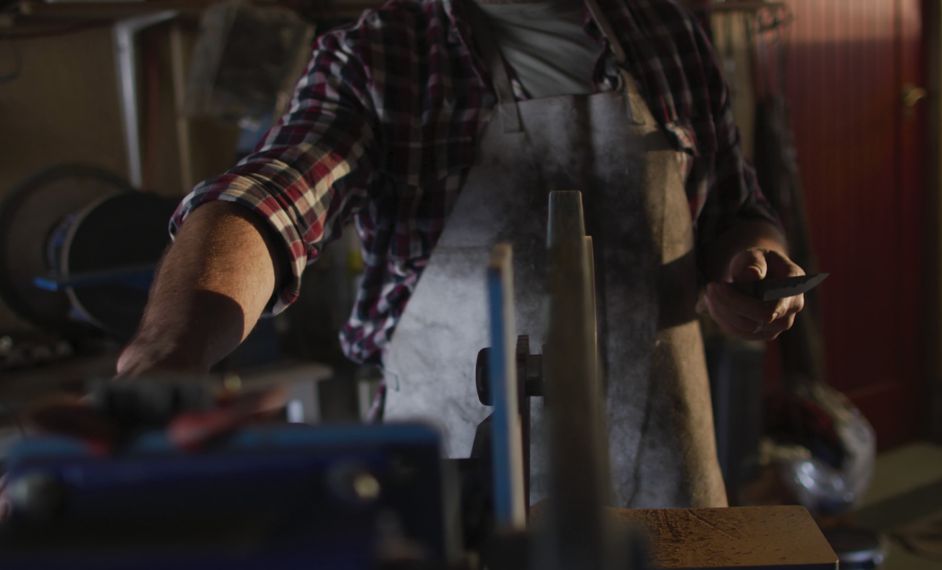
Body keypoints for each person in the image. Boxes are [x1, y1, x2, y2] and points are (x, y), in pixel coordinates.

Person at [117, 0, 806, 509]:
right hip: (449, 486)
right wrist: (170, 356)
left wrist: (757, 262)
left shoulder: (669, 34)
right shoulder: (384, 54)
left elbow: (738, 213)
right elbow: (271, 198)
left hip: (665, 480)